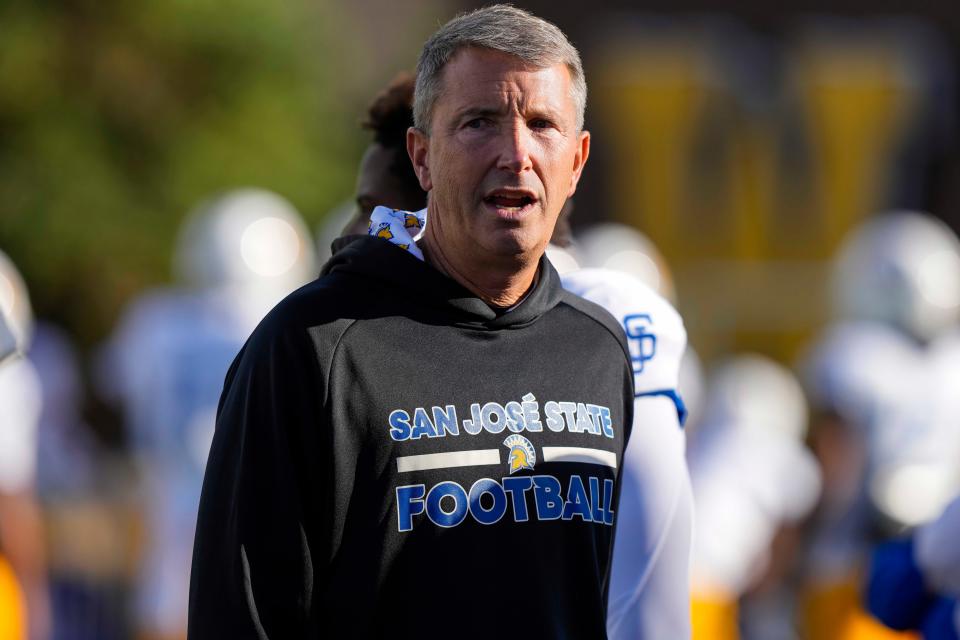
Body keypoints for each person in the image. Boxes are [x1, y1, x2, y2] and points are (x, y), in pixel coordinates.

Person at [190, 5, 635, 638]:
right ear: (421, 157)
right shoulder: (313, 347)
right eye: (479, 122)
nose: (516, 153)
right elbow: (240, 618)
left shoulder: (599, 349)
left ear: (578, 161)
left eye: (542, 124)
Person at [337, 71, 693, 638]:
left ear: (436, 190)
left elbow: (647, 575)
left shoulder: (601, 313)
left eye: (373, 207)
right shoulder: (366, 341)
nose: (356, 231)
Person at [98, 189, 316, 640]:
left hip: (165, 510)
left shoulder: (152, 321)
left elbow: (111, 391)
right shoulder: (282, 322)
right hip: (249, 518)